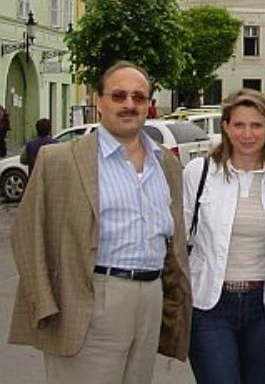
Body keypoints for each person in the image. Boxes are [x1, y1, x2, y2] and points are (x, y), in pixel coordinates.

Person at [8, 60, 191, 384]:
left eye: (138, 97)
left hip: (150, 300)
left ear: (149, 104)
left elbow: (173, 241)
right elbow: (26, 235)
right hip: (90, 299)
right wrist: (46, 302)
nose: (129, 104)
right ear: (99, 100)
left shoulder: (166, 165)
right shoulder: (60, 160)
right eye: (119, 96)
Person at [184, 88, 265, 384]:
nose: (247, 134)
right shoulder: (199, 172)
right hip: (210, 305)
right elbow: (179, 236)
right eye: (239, 125)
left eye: (256, 125)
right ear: (226, 127)